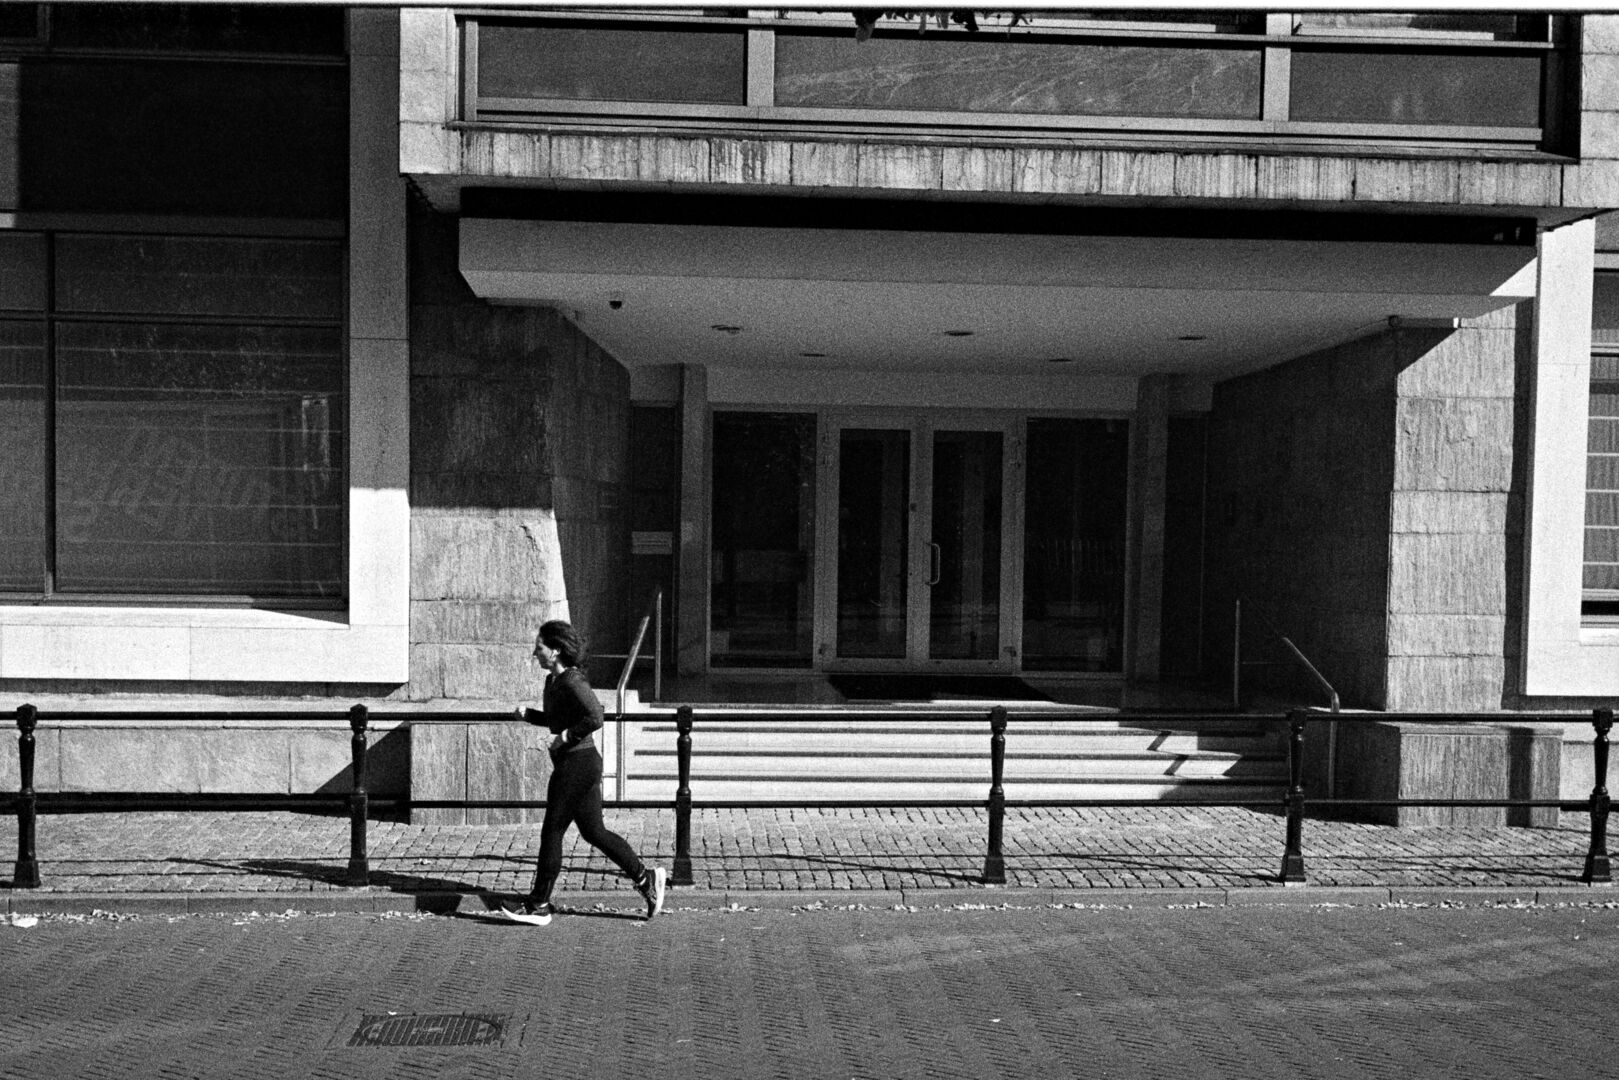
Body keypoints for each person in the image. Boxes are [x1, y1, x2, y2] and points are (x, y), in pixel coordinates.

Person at [500, 619, 666, 926]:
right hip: (578, 763)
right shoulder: (554, 681)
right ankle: (646, 880)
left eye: (539, 648)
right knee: (593, 832)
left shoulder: (573, 681)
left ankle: (538, 905)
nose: (535, 653)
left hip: (578, 764)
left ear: (556, 650)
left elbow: (595, 715)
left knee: (552, 830)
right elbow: (555, 720)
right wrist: (529, 716)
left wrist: (567, 737)